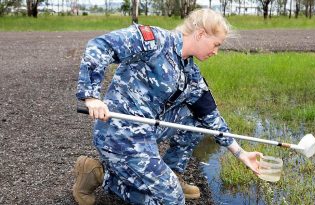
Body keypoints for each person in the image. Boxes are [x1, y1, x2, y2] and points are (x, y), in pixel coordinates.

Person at [73, 8, 263, 205]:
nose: (216, 51)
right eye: (216, 44)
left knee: (196, 117)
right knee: (172, 200)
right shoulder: (154, 41)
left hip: (147, 130)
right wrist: (91, 96)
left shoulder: (191, 74)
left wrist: (241, 154)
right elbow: (101, 45)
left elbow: (211, 116)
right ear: (200, 34)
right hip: (119, 132)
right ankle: (103, 177)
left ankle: (171, 175)